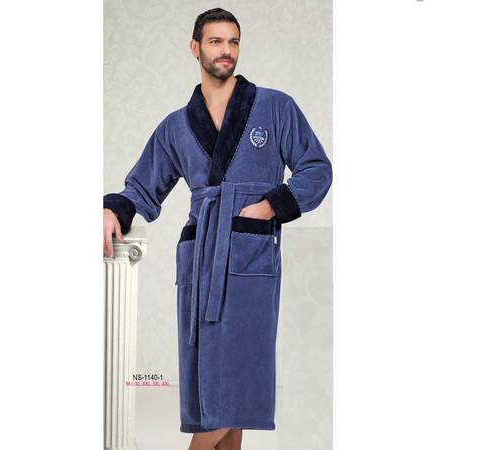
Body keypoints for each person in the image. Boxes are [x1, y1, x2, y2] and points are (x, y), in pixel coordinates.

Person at [103, 8, 332, 450]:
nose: (226, 50)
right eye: (215, 41)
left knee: (235, 386)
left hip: (250, 255)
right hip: (201, 257)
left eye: (233, 41)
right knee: (212, 388)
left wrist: (269, 207)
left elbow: (316, 169)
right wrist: (114, 210)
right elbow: (142, 187)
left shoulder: (275, 107)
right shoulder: (176, 125)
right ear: (196, 48)